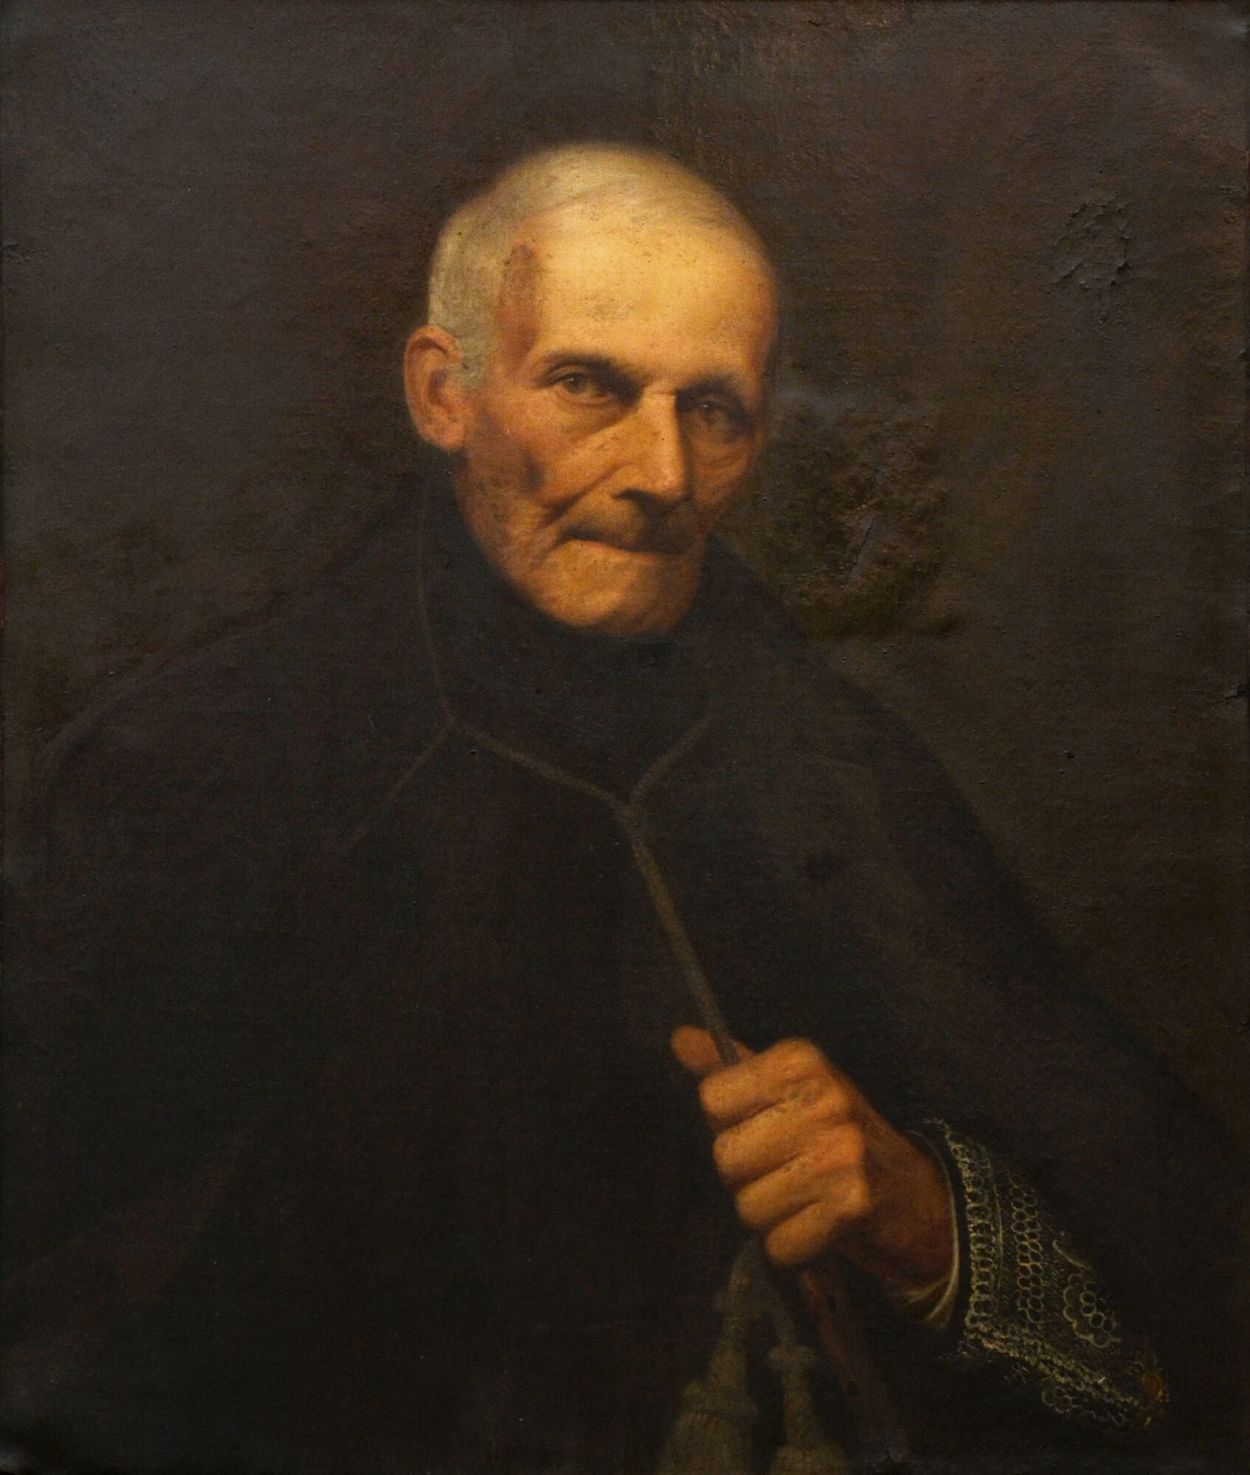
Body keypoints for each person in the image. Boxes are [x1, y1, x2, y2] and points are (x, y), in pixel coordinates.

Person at [2, 144, 1240, 1475]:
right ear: (444, 392)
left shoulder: (844, 774)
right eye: (590, 385)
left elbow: (1191, 1335)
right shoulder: (193, 765)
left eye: (714, 410)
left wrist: (928, 1226)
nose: (662, 471)